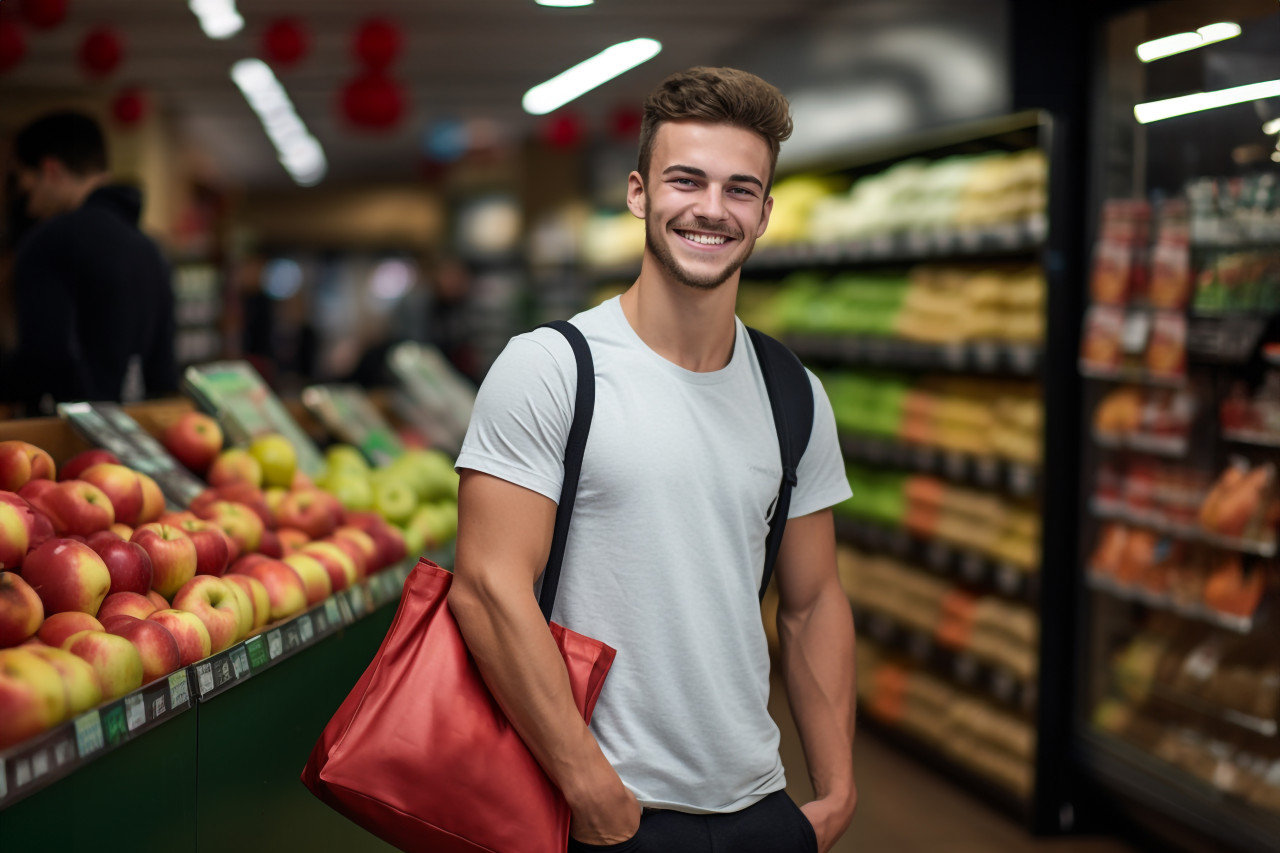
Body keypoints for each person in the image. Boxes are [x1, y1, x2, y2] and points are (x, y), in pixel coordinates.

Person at [450, 67, 857, 853]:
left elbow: (812, 602)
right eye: (686, 180)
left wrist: (835, 792)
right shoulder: (553, 367)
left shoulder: (792, 392)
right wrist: (587, 783)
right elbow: (488, 588)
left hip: (758, 806)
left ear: (766, 213)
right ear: (639, 194)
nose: (711, 208)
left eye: (741, 189)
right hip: (596, 809)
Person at [7, 110, 176, 412]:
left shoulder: (49, 239)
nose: (27, 201)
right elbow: (164, 372)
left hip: (66, 441)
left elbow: (42, 361)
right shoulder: (151, 247)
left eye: (24, 179)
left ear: (51, 170)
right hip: (141, 436)